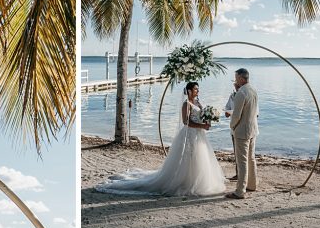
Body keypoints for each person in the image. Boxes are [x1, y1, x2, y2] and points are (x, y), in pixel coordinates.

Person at [94, 81, 226, 197]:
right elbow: (186, 122)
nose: (198, 91)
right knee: (188, 159)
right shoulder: (186, 104)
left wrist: (208, 119)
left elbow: (201, 115)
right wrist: (202, 125)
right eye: (196, 89)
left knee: (199, 158)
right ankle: (186, 182)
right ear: (190, 91)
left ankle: (197, 181)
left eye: (198, 89)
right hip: (189, 134)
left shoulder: (197, 102)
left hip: (199, 135)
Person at [226, 67, 259, 199]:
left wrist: (232, 126)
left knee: (242, 161)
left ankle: (240, 191)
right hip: (253, 129)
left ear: (240, 78)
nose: (235, 80)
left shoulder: (241, 93)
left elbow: (236, 115)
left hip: (242, 131)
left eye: (236, 77)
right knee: (251, 158)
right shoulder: (253, 90)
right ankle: (252, 184)